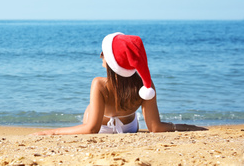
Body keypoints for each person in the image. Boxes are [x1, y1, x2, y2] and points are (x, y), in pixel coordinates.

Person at [34, 32, 206, 135]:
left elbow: (91, 129)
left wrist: (53, 131)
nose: (101, 56)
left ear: (112, 61)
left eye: (103, 54)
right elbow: (155, 127)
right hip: (129, 128)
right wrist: (185, 127)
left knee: (89, 109)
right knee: (131, 116)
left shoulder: (99, 84)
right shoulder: (145, 85)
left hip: (101, 129)